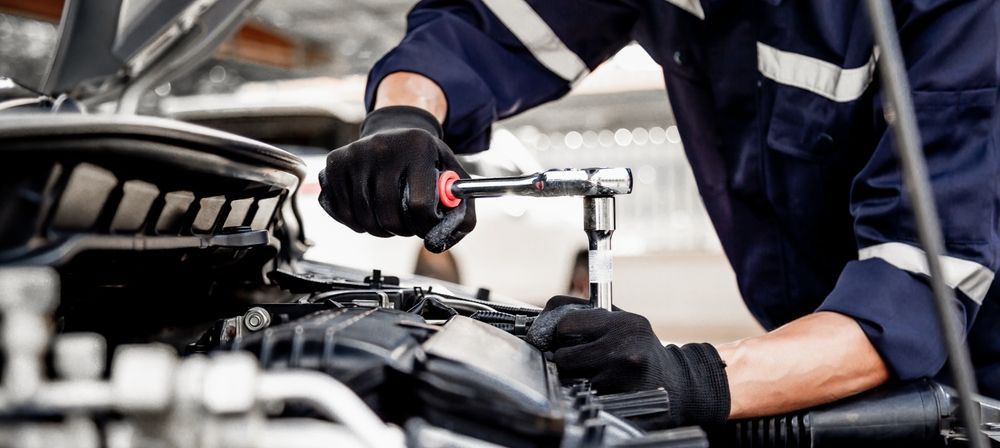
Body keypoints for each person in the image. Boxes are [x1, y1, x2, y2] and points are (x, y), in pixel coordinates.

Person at [318, 0, 1000, 428]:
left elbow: (916, 291)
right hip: (811, 355)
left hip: (977, 384)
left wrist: (695, 379)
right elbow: (487, 24)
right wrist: (405, 113)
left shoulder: (963, 17)